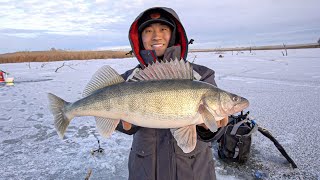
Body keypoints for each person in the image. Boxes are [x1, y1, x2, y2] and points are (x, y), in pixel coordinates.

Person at [116, 7, 228, 180]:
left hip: (193, 171)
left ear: (174, 34)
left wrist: (210, 129)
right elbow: (116, 121)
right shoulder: (130, 80)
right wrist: (123, 123)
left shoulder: (200, 76)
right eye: (148, 31)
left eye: (163, 29)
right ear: (139, 38)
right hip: (145, 171)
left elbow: (215, 133)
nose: (156, 36)